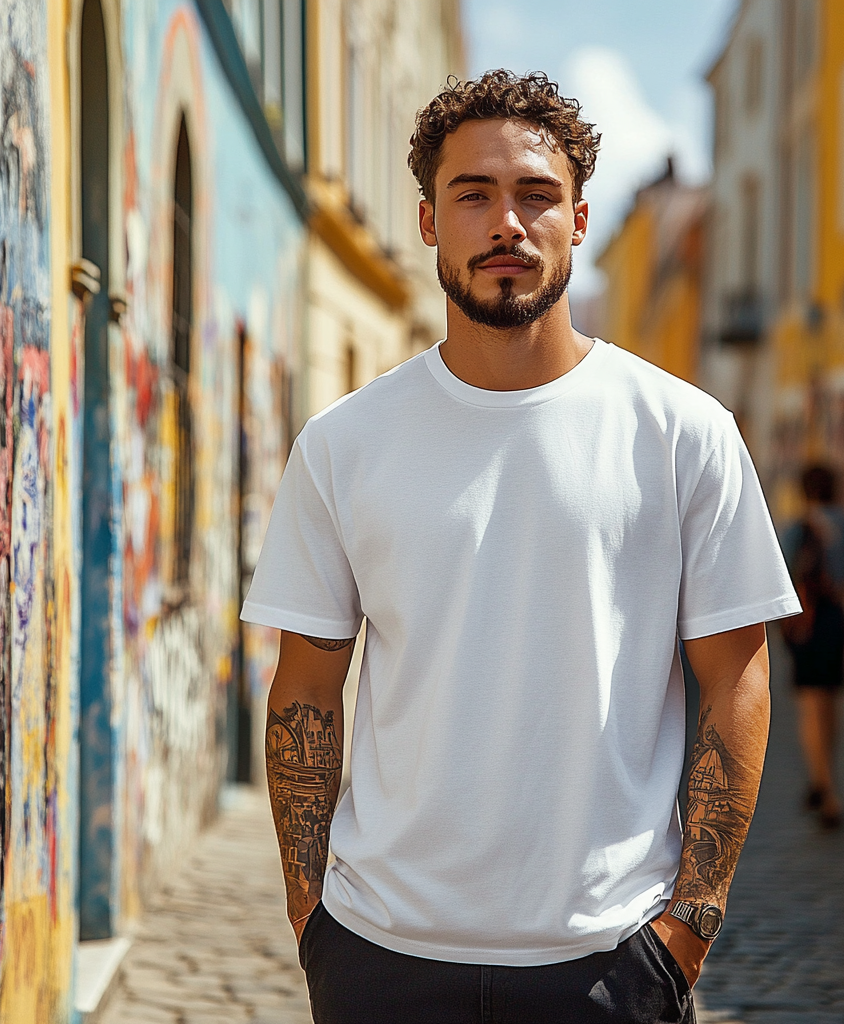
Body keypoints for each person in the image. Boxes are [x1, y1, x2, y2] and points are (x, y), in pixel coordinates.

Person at [241, 70, 800, 1024]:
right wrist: (312, 919)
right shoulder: (343, 444)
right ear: (428, 220)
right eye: (475, 195)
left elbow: (737, 679)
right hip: (382, 957)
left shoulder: (683, 432)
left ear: (578, 220)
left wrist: (688, 928)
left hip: (609, 962)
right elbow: (305, 684)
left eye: (537, 195)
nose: (508, 222)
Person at [780, 463, 844, 830]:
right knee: (829, 700)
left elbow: (780, 575)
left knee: (810, 703)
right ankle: (824, 776)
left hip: (806, 621)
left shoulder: (798, 529)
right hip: (837, 617)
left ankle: (825, 787)